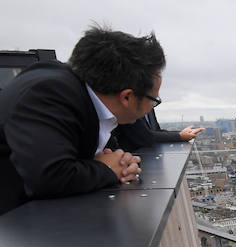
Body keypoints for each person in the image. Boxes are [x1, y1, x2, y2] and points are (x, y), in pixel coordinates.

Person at [0, 26, 165, 215]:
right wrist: (107, 169)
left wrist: (123, 164)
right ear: (127, 97)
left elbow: (110, 158)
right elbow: (48, 177)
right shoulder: (51, 94)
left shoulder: (81, 95)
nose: (152, 106)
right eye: (153, 100)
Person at [114, 107, 204, 152]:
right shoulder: (129, 108)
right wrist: (179, 136)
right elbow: (145, 136)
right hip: (132, 159)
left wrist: (181, 133)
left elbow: (156, 131)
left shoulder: (149, 106)